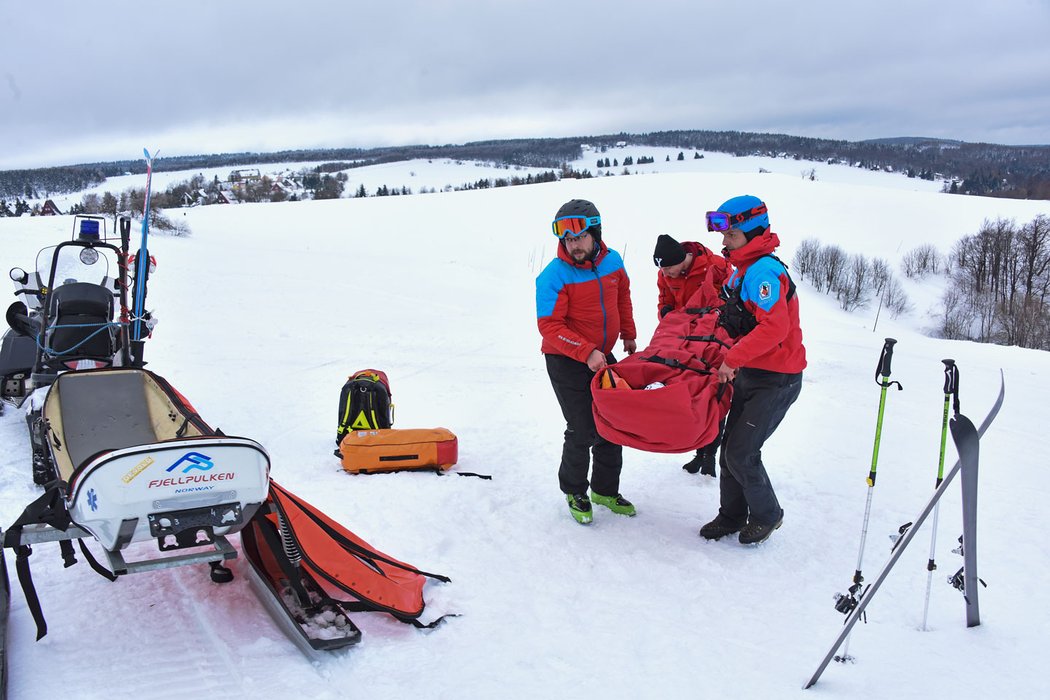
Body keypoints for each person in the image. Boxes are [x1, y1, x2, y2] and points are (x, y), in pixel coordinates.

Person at [698, 195, 806, 545]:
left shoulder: (765, 273)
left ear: (750, 230)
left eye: (730, 235)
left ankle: (767, 515)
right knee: (730, 448)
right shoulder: (744, 270)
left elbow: (774, 329)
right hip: (751, 372)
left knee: (742, 452)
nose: (724, 241)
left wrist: (732, 359)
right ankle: (731, 515)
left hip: (777, 380)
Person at [536, 199, 638, 525]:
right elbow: (549, 326)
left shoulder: (613, 262)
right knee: (583, 428)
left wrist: (629, 334)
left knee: (614, 424)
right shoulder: (552, 276)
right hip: (564, 357)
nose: (573, 245)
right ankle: (575, 489)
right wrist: (586, 352)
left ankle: (604, 490)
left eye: (579, 237)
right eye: (567, 239)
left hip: (602, 354)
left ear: (595, 233)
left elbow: (623, 297)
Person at [652, 233, 730, 476]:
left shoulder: (714, 265)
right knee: (692, 395)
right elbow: (664, 300)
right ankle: (698, 451)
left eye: (669, 269)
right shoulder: (665, 273)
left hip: (713, 341)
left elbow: (735, 292)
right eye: (662, 270)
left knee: (716, 395)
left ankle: (710, 456)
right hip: (684, 342)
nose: (666, 275)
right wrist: (665, 313)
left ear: (681, 260)